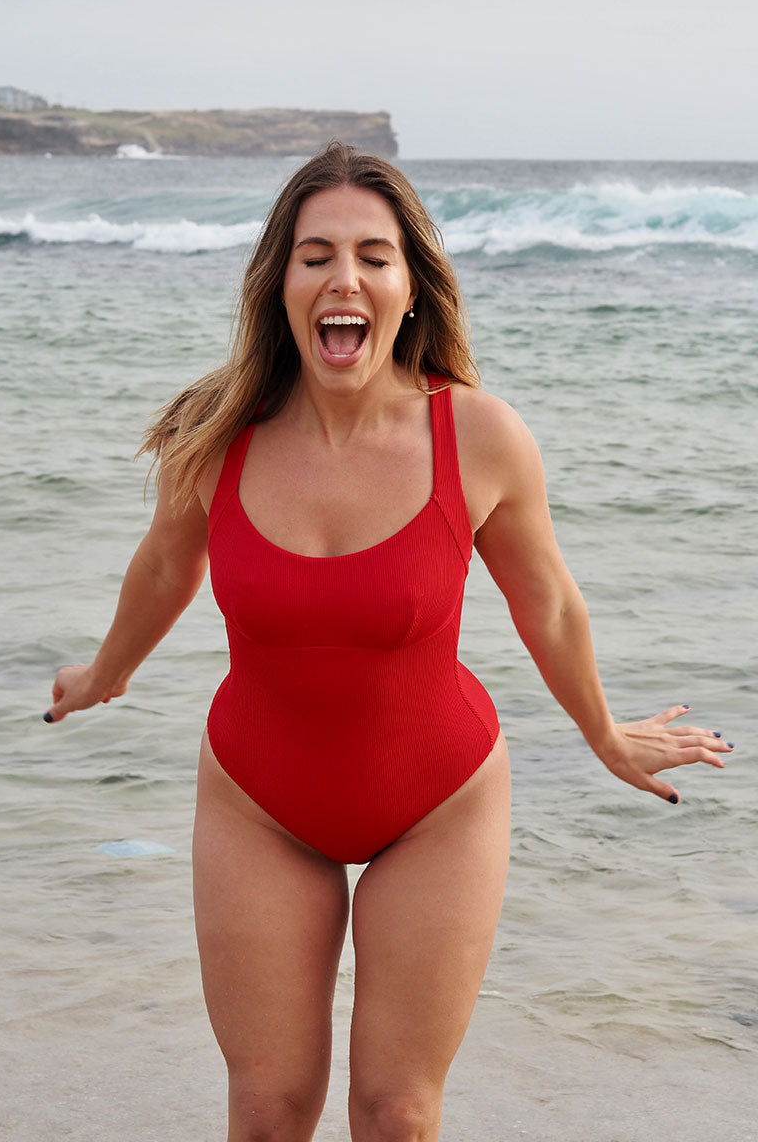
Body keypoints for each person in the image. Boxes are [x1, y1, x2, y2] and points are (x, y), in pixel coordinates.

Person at [44, 143, 729, 1142]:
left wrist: (603, 735)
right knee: (268, 1113)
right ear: (280, 285)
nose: (344, 277)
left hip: (437, 802)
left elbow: (546, 603)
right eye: (315, 254)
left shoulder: (479, 436)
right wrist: (106, 674)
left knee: (395, 1113)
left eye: (372, 254)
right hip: (256, 800)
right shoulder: (215, 434)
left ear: (409, 287)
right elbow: (163, 568)